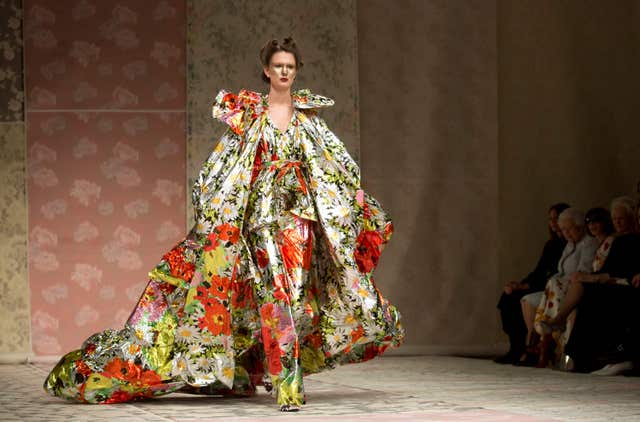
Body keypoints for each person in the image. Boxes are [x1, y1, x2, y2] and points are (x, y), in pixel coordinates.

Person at [44, 37, 404, 411]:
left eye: (290, 66)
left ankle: (252, 369)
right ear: (266, 70)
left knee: (297, 301)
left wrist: (354, 201)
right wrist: (218, 211)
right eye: (278, 65)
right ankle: (288, 385)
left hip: (300, 220)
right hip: (260, 220)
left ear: (297, 71)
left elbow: (336, 165)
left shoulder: (308, 119)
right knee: (274, 296)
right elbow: (220, 166)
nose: (284, 72)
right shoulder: (250, 115)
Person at [560, 197, 640, 374]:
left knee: (596, 294)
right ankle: (580, 358)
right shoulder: (619, 241)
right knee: (588, 292)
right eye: (614, 219)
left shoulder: (634, 239)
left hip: (626, 285)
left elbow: (623, 271)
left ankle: (614, 357)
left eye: (621, 218)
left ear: (631, 218)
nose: (617, 223)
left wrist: (597, 278)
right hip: (616, 282)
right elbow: (609, 268)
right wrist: (589, 277)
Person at [520, 208, 598, 367]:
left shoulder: (589, 243)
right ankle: (535, 340)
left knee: (554, 284)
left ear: (580, 226)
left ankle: (545, 343)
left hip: (574, 287)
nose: (567, 233)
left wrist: (558, 280)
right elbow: (560, 270)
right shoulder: (569, 244)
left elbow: (583, 271)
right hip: (559, 287)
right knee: (527, 299)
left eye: (569, 229)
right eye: (563, 230)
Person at [495, 203, 569, 364]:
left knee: (519, 298)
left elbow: (554, 274)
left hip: (551, 286)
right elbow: (538, 270)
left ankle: (530, 349)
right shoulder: (551, 245)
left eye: (557, 218)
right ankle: (516, 348)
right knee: (508, 297)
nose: (553, 223)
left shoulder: (568, 245)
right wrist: (518, 284)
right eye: (550, 219)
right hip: (537, 283)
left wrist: (525, 286)